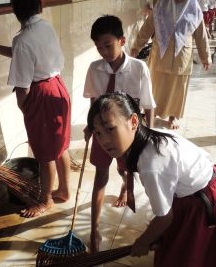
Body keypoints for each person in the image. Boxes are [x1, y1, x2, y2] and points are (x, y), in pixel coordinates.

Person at [87, 92, 216, 266]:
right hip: (202, 187)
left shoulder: (151, 164)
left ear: (134, 122)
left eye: (110, 129)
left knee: (185, 258)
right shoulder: (149, 136)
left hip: (202, 201)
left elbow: (165, 217)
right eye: (97, 133)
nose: (104, 140)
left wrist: (142, 242)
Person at [0, 0, 72, 218]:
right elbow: (22, 53)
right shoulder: (45, 28)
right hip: (58, 88)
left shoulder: (23, 39)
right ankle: (63, 190)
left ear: (14, 8)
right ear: (40, 5)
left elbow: (22, 87)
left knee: (44, 154)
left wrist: (26, 108)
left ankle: (45, 200)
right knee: (60, 145)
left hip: (41, 95)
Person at [83, 15, 156, 252]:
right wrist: (89, 125)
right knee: (100, 177)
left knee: (126, 169)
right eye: (98, 47)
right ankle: (94, 230)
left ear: (122, 40)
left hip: (130, 134)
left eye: (108, 45)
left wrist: (150, 134)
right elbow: (94, 101)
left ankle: (125, 185)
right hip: (102, 132)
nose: (103, 51)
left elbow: (148, 105)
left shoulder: (139, 68)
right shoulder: (95, 69)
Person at [131, 0, 212, 129]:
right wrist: (137, 46)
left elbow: (201, 36)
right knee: (155, 85)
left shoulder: (195, 11)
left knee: (178, 88)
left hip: (182, 57)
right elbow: (147, 28)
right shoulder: (161, 7)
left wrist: (205, 57)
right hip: (160, 55)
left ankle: (173, 117)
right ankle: (151, 114)